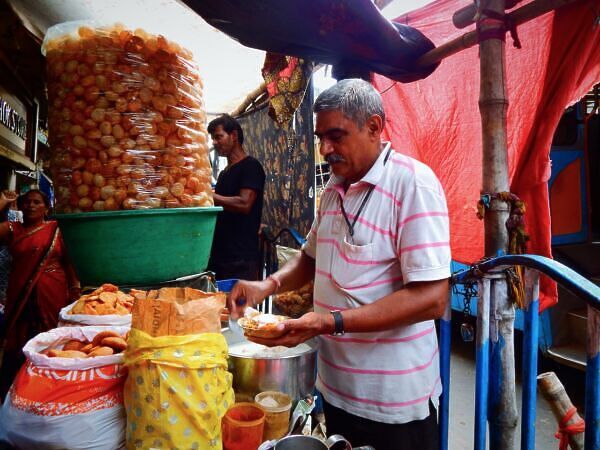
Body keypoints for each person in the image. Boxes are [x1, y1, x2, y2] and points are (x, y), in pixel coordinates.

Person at [229, 79, 451, 450]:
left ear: (374, 127)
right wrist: (267, 286)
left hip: (392, 402)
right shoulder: (334, 187)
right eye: (320, 137)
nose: (324, 149)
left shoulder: (413, 184)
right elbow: (310, 257)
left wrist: (331, 321)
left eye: (336, 136)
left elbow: (432, 298)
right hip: (335, 390)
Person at [0, 189, 80, 400]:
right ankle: (13, 388)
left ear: (46, 207)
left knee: (49, 337)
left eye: (37, 202)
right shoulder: (13, 229)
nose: (31, 206)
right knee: (17, 340)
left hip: (51, 291)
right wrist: (3, 203)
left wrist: (74, 288)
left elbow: (68, 261)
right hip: (20, 292)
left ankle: (47, 387)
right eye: (27, 202)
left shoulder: (56, 229)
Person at [207, 114, 266, 281]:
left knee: (242, 307)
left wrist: (211, 196)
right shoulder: (225, 173)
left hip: (241, 259)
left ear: (233, 135)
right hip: (222, 256)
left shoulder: (251, 166)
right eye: (213, 138)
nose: (214, 142)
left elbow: (245, 203)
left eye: (219, 137)